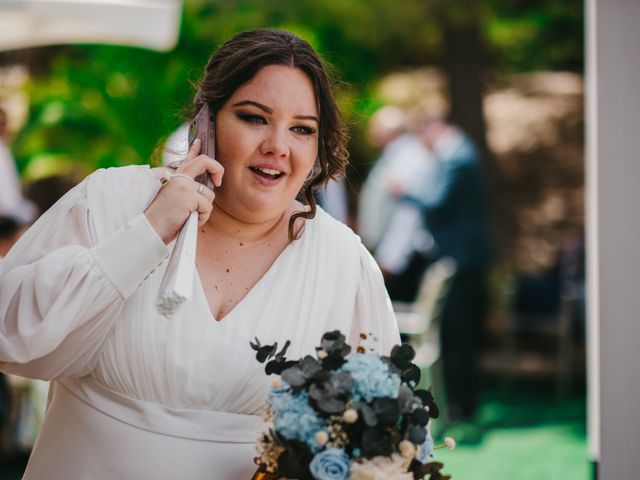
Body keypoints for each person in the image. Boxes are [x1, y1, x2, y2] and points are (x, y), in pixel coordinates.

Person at [0, 29, 399, 479]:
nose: (277, 146)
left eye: (302, 129)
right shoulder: (114, 201)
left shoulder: (342, 261)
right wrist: (147, 233)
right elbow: (10, 335)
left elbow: (383, 427)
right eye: (253, 118)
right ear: (205, 122)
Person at [401, 116, 491, 421]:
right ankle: (460, 401)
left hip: (463, 260)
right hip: (463, 257)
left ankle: (464, 404)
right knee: (457, 332)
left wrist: (406, 193)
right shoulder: (459, 154)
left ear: (434, 129)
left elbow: (439, 203)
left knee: (461, 333)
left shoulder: (458, 157)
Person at [358, 106, 439, 302]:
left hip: (402, 261)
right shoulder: (395, 155)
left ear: (390, 132)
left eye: (375, 128)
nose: (370, 134)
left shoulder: (410, 159)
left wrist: (390, 260)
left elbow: (409, 214)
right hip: (393, 256)